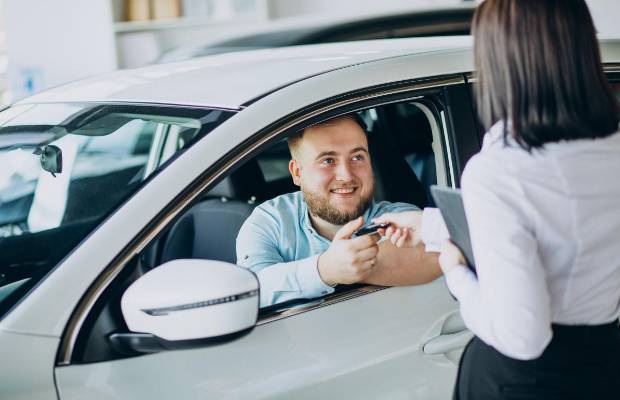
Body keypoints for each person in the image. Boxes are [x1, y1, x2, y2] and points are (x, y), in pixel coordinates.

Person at [375, 0, 620, 398]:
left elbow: (523, 337)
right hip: (603, 367)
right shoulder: (611, 150)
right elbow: (561, 231)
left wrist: (454, 269)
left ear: (500, 62)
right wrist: (433, 226)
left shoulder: (500, 171)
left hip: (523, 383)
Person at [236, 114, 444, 307]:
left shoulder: (397, 217)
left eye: (357, 157)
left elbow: (433, 257)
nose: (346, 175)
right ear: (297, 172)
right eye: (328, 161)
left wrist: (351, 266)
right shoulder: (270, 221)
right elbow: (249, 291)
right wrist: (324, 270)